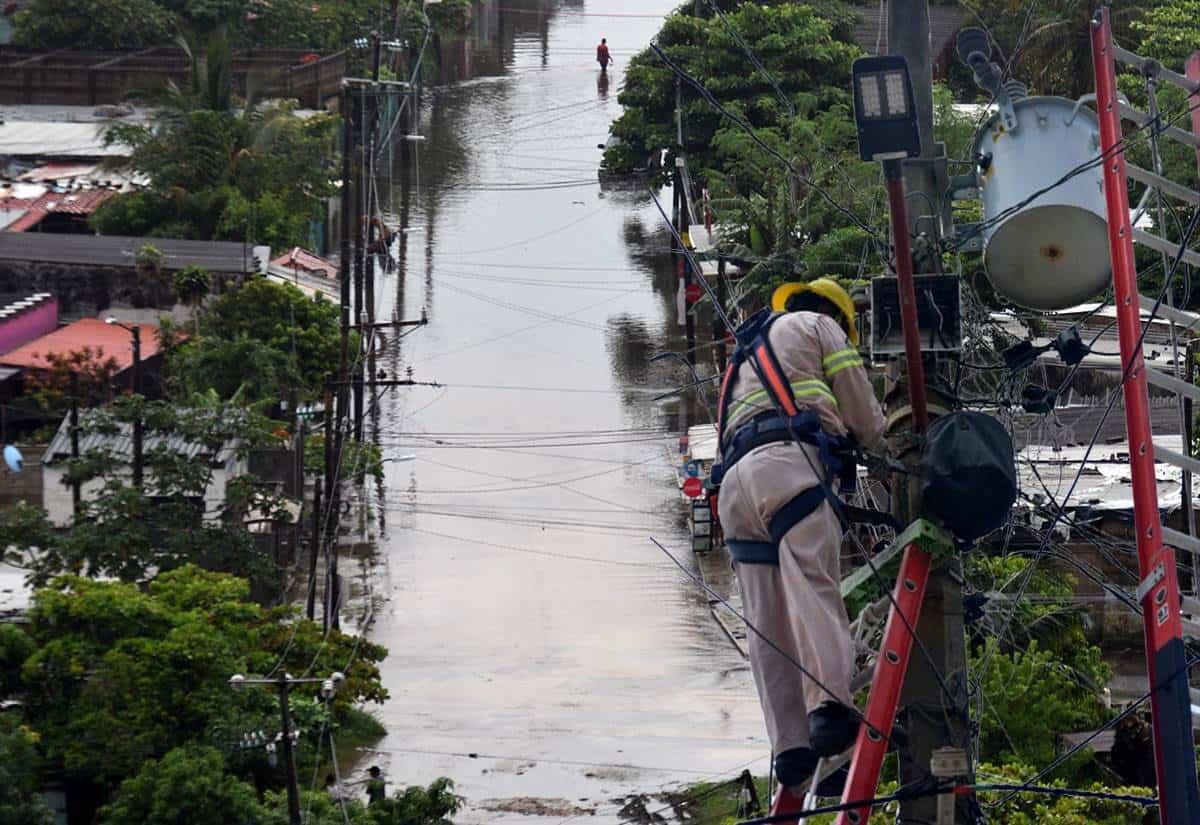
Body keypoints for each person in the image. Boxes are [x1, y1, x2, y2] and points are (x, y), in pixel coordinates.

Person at [712, 278, 885, 794]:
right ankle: (830, 710)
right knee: (812, 589)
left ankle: (790, 747)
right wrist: (881, 442)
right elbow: (865, 418)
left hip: (734, 492)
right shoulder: (820, 326)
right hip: (788, 469)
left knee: (766, 620)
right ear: (836, 315)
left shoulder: (742, 356)